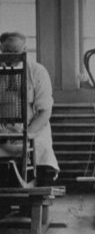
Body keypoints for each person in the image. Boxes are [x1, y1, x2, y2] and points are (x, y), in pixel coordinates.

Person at [0, 31, 59, 186]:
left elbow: (45, 111)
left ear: (25, 50)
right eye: (6, 52)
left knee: (42, 149)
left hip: (33, 129)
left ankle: (36, 193)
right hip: (3, 131)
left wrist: (27, 134)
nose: (10, 56)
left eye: (15, 52)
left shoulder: (37, 71)